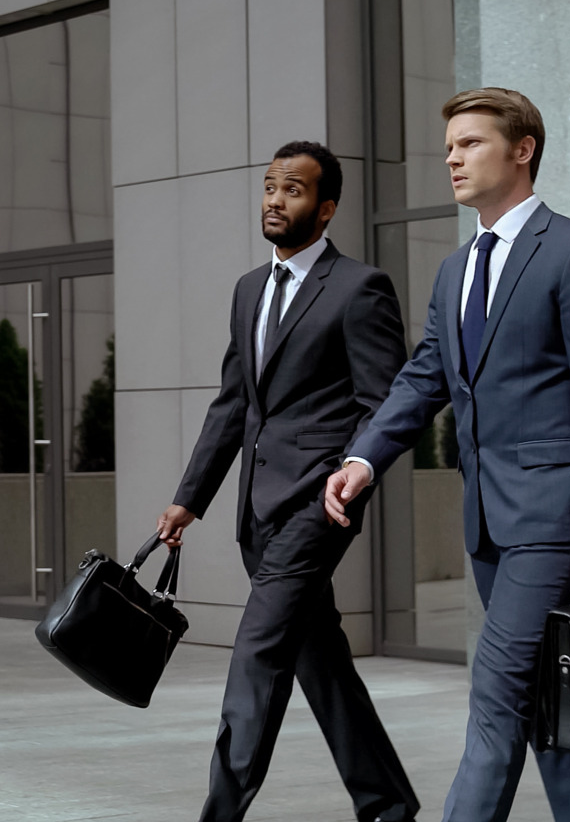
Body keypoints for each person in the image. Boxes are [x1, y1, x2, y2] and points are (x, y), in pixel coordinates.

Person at [325, 88, 570, 822]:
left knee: (496, 698)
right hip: (490, 527)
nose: (452, 159)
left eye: (469, 144)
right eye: (449, 149)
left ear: (522, 149)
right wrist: (364, 458)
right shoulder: (457, 269)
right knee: (546, 712)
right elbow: (423, 376)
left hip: (552, 522)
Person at [157, 142, 419, 822]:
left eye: (294, 190)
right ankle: (388, 804)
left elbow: (385, 402)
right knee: (321, 664)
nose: (276, 199)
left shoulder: (359, 288)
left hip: (316, 508)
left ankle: (219, 814)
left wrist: (351, 476)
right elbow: (234, 403)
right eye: (271, 186)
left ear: (325, 208)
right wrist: (191, 498)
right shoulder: (250, 288)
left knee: (258, 654)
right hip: (255, 512)